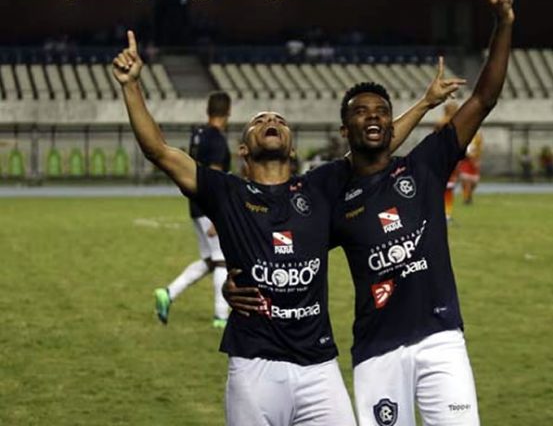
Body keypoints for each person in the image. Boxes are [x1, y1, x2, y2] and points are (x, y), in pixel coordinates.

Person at [112, 30, 463, 426]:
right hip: (253, 364)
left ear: (293, 146)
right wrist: (132, 86)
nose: (271, 120)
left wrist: (426, 104)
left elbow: (376, 141)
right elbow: (158, 150)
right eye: (260, 120)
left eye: (279, 119)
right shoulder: (227, 192)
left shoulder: (320, 187)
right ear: (243, 148)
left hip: (319, 367)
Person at [331, 0, 513, 426]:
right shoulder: (331, 192)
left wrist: (503, 23)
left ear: (392, 126)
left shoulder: (424, 167)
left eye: (380, 111)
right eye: (360, 111)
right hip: (377, 351)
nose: (372, 116)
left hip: (440, 339)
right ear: (344, 132)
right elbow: (286, 241)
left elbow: (484, 98)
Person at [153, 92, 232, 328]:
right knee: (222, 262)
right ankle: (221, 316)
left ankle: (168, 292)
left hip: (195, 202)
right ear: (228, 112)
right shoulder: (217, 140)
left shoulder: (198, 135)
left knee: (209, 260)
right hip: (209, 205)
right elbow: (216, 177)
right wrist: (219, 214)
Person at [459, 130, 483, 205]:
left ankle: (469, 195)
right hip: (466, 161)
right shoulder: (464, 135)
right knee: (466, 182)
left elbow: (479, 149)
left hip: (474, 161)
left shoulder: (478, 137)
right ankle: (467, 199)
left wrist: (478, 160)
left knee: (474, 183)